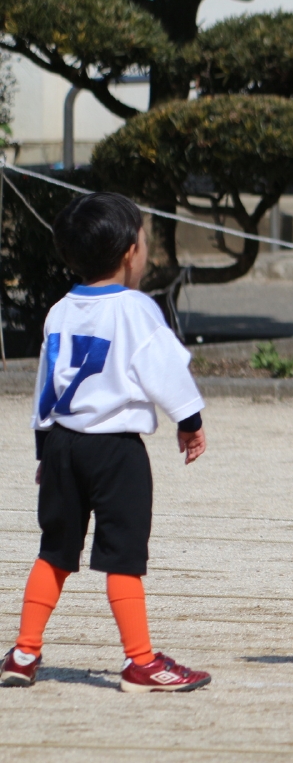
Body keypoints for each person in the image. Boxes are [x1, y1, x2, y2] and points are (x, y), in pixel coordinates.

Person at [1, 193, 210, 692]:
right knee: (122, 556)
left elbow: (47, 385)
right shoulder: (136, 308)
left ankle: (23, 653)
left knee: (55, 550)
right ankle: (140, 662)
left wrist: (43, 450)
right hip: (115, 451)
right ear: (130, 253)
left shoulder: (60, 310)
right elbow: (164, 369)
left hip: (61, 444)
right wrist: (189, 420)